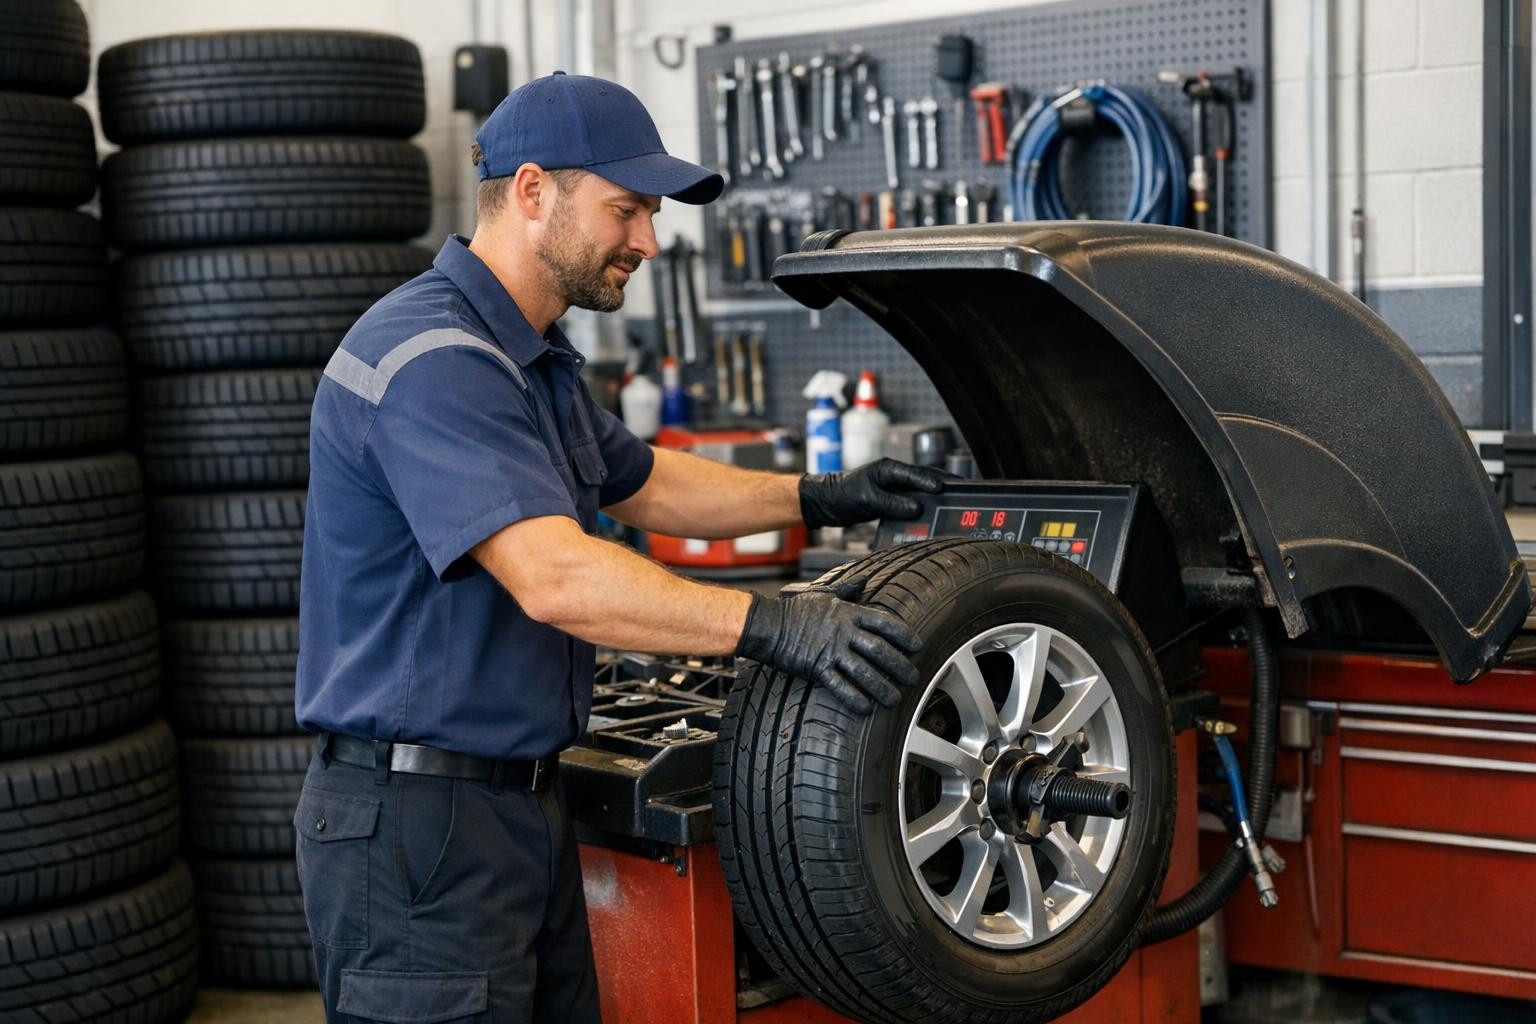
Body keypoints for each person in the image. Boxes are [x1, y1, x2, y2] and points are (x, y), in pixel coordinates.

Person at [292, 71, 947, 1024]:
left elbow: (649, 483)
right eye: (626, 209)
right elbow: (557, 578)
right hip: (418, 832)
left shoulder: (528, 360)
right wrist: (775, 625)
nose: (647, 240)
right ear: (531, 192)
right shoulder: (437, 363)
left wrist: (818, 493)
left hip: (515, 807)